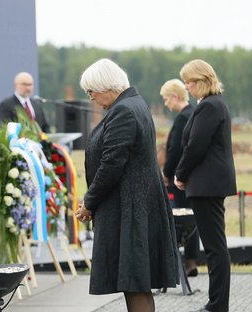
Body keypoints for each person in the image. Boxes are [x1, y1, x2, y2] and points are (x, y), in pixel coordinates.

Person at [75, 58, 178, 312]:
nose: (91, 98)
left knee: (135, 285)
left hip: (131, 210)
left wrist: (89, 202)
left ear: (105, 85)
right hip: (136, 206)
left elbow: (111, 164)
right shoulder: (134, 104)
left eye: (91, 91)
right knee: (136, 285)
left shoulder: (123, 111)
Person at [174, 59, 237, 312]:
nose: (186, 86)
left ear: (201, 80)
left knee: (214, 248)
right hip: (209, 183)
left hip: (206, 184)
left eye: (189, 81)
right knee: (215, 246)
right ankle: (217, 302)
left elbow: (195, 146)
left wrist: (180, 173)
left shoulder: (209, 106)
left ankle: (217, 304)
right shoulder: (213, 104)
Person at [160, 79, 200, 277]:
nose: (166, 104)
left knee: (183, 219)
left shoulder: (182, 118)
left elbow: (174, 150)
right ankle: (191, 261)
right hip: (193, 177)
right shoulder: (193, 113)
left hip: (180, 179)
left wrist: (167, 174)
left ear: (175, 97)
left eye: (166, 99)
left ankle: (187, 262)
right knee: (193, 219)